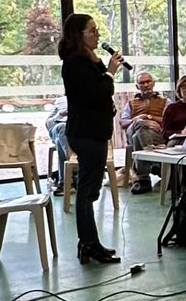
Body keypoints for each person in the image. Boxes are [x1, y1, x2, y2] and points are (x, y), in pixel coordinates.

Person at [58, 13, 123, 265]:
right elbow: (98, 92)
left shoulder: (87, 60)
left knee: (91, 190)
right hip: (85, 133)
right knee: (87, 192)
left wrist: (102, 63)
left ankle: (90, 243)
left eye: (97, 31)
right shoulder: (74, 62)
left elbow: (102, 91)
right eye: (92, 31)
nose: (97, 35)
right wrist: (110, 71)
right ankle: (88, 244)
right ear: (79, 35)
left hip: (94, 130)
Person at [122, 71, 170, 195]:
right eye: (142, 83)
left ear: (153, 83)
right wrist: (139, 119)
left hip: (156, 134)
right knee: (139, 124)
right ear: (137, 86)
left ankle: (143, 179)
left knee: (137, 135)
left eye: (148, 81)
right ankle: (154, 163)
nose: (146, 85)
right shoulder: (131, 103)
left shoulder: (165, 101)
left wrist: (150, 118)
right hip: (135, 127)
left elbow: (169, 121)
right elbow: (123, 123)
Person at [45, 95, 69, 196]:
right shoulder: (61, 100)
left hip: (79, 133)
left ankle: (66, 182)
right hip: (59, 129)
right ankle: (75, 168)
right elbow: (49, 123)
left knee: (60, 142)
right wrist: (60, 114)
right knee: (62, 128)